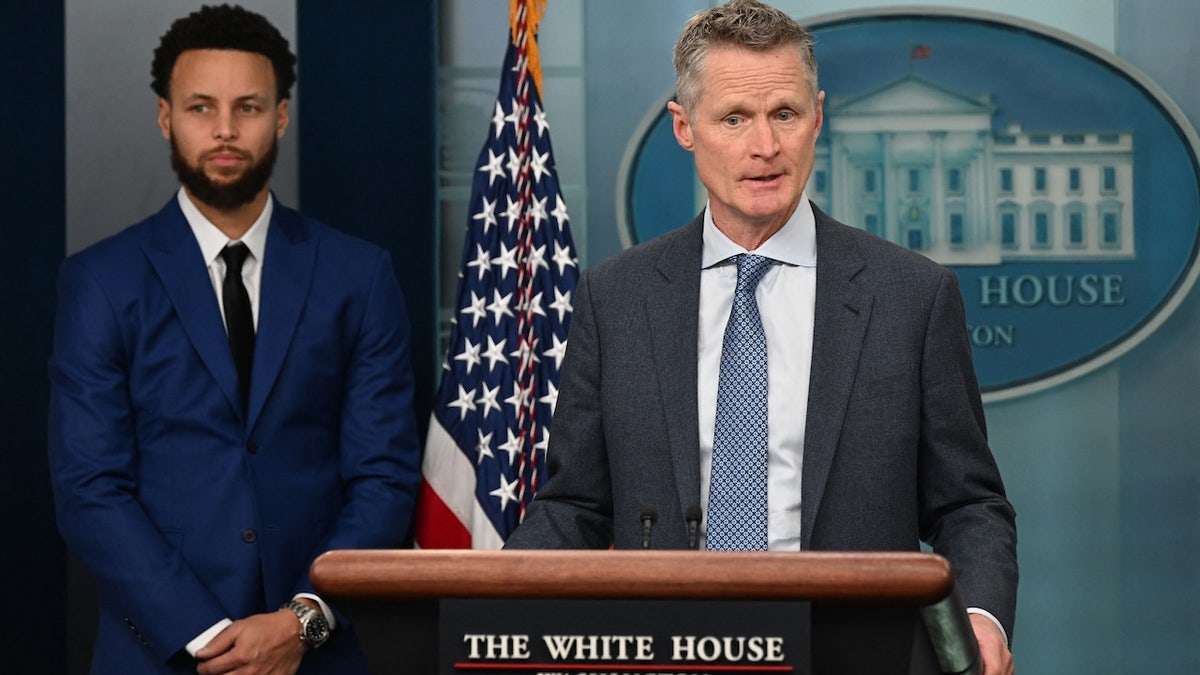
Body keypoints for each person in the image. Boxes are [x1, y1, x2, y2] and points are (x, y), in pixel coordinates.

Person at [504, 1, 1017, 673]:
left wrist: (979, 618)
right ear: (686, 127)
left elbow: (969, 503)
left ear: (818, 117)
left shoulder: (911, 296)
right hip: (667, 652)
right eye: (735, 118)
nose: (765, 148)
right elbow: (574, 504)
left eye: (784, 114)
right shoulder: (617, 298)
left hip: (857, 653)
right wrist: (493, 608)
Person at [48, 5, 421, 674]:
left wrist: (300, 624)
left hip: (317, 656)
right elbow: (90, 486)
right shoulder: (100, 281)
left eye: (248, 106)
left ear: (280, 115)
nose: (224, 129)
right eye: (200, 108)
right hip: (156, 654)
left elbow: (383, 475)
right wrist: (209, 634)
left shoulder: (359, 276)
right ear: (166, 117)